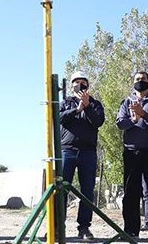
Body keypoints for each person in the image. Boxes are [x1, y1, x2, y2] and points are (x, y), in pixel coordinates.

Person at [116, 71, 148, 241]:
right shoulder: (126, 102)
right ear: (133, 83)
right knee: (131, 192)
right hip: (131, 152)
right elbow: (120, 124)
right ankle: (131, 230)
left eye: (143, 79)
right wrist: (133, 119)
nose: (140, 82)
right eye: (137, 79)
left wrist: (143, 114)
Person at [59, 71, 105, 240]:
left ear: (88, 85)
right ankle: (58, 227)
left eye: (83, 82)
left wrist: (87, 106)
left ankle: (84, 227)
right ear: (71, 86)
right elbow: (59, 118)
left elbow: (98, 121)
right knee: (61, 189)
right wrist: (77, 109)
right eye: (76, 82)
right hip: (67, 151)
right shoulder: (65, 103)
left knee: (87, 191)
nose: (80, 85)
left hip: (88, 152)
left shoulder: (96, 104)